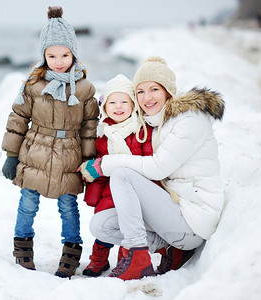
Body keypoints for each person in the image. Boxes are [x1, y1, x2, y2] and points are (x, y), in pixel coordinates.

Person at [79, 56, 225, 280]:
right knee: (101, 225)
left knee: (121, 175)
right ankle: (168, 248)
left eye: (154, 89)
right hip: (171, 211)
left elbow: (158, 168)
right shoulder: (154, 122)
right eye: (140, 92)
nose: (147, 98)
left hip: (193, 219)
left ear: (168, 90)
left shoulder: (190, 119)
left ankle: (138, 258)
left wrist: (104, 164)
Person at [1, 6, 99, 278]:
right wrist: (11, 154)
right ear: (43, 55)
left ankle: (71, 252)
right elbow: (18, 117)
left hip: (70, 154)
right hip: (35, 152)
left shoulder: (84, 88)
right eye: (52, 55)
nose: (58, 61)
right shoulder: (33, 84)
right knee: (28, 201)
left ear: (74, 54)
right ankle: (22, 248)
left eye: (65, 55)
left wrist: (89, 160)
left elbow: (89, 125)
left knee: (68, 205)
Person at [80, 74, 156, 277]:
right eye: (112, 102)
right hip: (108, 191)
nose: (118, 106)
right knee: (103, 221)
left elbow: (147, 160)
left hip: (133, 190)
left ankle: (126, 258)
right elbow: (99, 162)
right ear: (104, 107)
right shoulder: (103, 133)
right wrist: (91, 172)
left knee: (127, 223)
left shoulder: (141, 131)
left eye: (124, 101)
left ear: (133, 105)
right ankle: (99, 259)